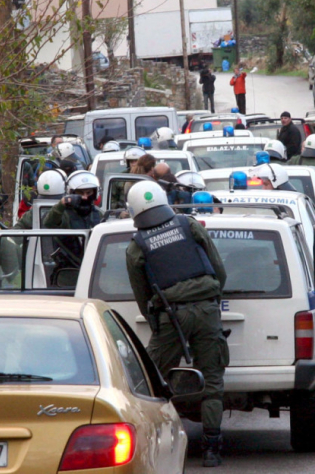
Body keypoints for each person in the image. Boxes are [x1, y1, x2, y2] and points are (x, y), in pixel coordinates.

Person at [125, 180, 228, 467]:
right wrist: (211, 302)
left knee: (148, 381)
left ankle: (150, 444)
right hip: (207, 310)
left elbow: (142, 297)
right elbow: (219, 271)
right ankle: (212, 449)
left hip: (170, 316)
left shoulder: (137, 247)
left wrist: (158, 322)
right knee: (213, 380)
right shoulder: (189, 225)